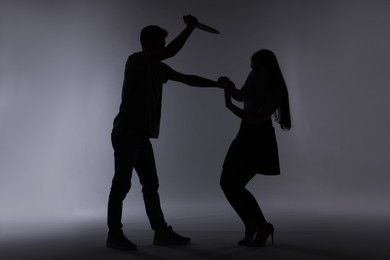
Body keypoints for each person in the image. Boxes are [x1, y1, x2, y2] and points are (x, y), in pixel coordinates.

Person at [107, 15, 228, 251]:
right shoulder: (136, 60)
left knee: (151, 184)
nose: (164, 47)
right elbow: (171, 51)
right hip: (126, 133)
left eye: (163, 43)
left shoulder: (158, 68)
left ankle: (161, 232)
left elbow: (187, 79)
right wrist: (190, 28)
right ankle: (114, 234)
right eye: (161, 43)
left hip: (141, 135)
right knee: (122, 184)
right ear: (149, 44)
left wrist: (216, 84)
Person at [219, 49, 291, 247]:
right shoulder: (253, 76)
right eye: (252, 68)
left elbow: (258, 119)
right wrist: (229, 87)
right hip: (244, 135)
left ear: (268, 68)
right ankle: (251, 224)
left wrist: (229, 106)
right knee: (226, 183)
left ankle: (262, 225)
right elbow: (242, 96)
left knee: (235, 185)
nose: (253, 71)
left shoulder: (275, 89)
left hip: (259, 140)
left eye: (257, 68)